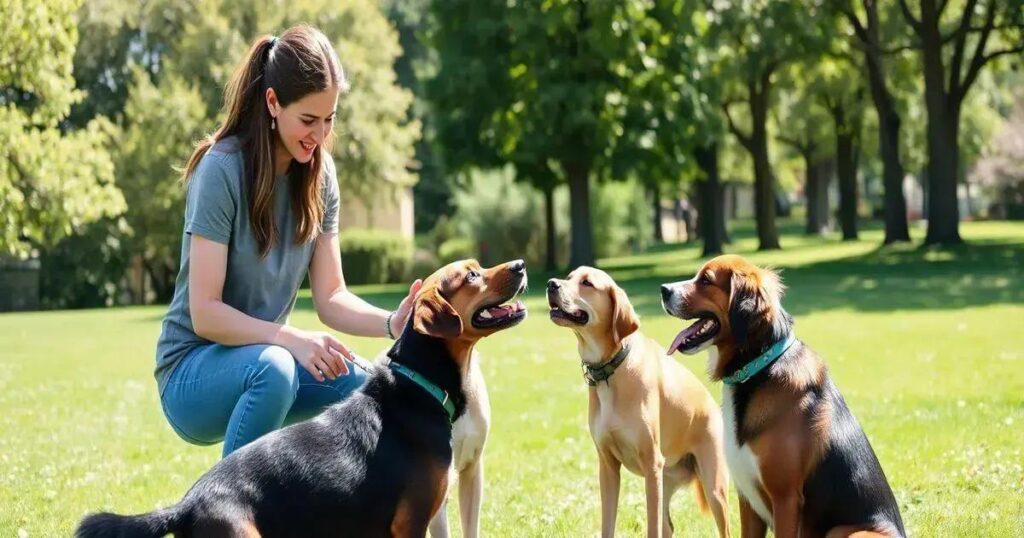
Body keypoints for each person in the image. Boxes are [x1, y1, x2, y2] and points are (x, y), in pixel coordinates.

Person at [154, 25, 421, 458]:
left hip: (270, 359)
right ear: (273, 102)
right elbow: (205, 314)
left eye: (330, 119)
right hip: (190, 373)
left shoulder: (321, 176)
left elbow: (332, 296)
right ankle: (228, 520)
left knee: (368, 388)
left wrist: (394, 323)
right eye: (308, 120)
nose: (319, 135)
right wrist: (292, 339)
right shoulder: (221, 170)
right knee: (275, 370)